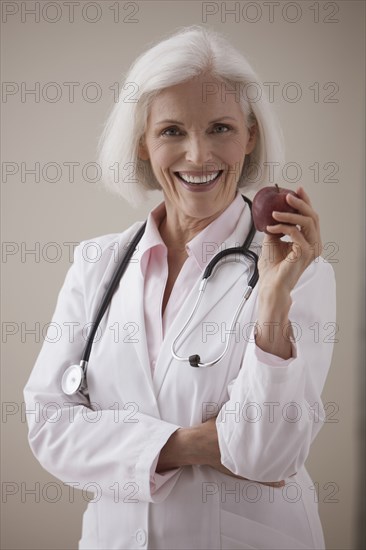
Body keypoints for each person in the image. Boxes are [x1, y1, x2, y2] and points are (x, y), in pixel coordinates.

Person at [24, 25, 336, 550]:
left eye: (220, 128)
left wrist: (273, 306)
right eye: (172, 131)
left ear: (250, 135)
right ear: (143, 143)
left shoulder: (298, 270)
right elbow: (50, 429)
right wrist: (196, 443)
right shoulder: (95, 264)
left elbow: (268, 456)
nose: (198, 155)